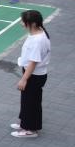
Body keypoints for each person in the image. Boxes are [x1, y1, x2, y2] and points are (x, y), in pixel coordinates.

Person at [13, 10, 50, 138]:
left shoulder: (37, 40)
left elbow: (33, 62)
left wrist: (24, 79)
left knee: (31, 102)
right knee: (27, 100)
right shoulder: (39, 32)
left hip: (34, 75)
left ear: (33, 23)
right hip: (33, 73)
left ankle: (30, 129)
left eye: (24, 21)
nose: (21, 23)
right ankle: (24, 122)